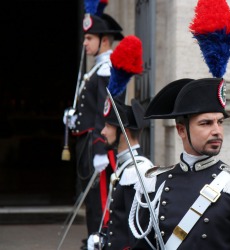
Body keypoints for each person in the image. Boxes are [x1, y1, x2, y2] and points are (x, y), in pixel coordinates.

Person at [130, 77, 230, 249]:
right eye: (206, 123)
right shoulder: (156, 183)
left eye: (220, 122)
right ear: (182, 130)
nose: (217, 131)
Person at [64, 12, 124, 248]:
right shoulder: (94, 70)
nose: (84, 43)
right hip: (85, 143)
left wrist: (101, 149)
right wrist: (73, 118)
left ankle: (101, 238)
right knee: (91, 198)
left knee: (99, 198)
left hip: (95, 144)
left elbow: (105, 112)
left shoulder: (106, 69)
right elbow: (90, 109)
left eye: (89, 38)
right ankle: (93, 236)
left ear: (105, 40)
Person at [87, 98, 153, 250]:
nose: (102, 131)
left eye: (108, 126)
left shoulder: (138, 171)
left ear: (124, 132)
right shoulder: (125, 166)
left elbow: (138, 233)